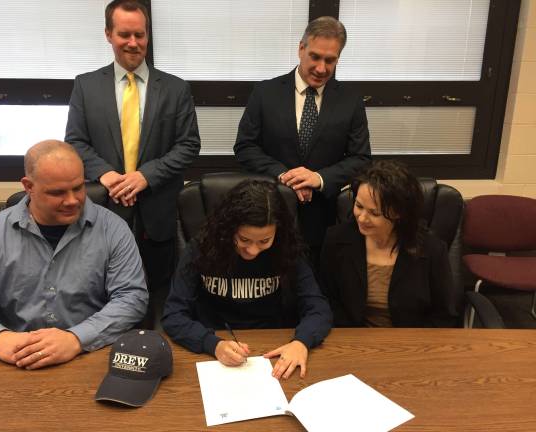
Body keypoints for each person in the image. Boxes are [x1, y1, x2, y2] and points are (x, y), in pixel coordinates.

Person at [0, 140, 148, 369]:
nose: (71, 200)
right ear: (28, 186)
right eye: (57, 192)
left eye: (78, 188)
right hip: (12, 359)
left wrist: (77, 338)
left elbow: (131, 298)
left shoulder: (113, 229)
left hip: (89, 355)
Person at [65, 0, 201, 295]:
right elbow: (75, 141)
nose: (133, 43)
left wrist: (145, 176)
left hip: (158, 210)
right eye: (124, 34)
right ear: (108, 34)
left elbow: (189, 145)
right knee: (103, 288)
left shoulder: (176, 89)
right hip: (105, 207)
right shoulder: (85, 86)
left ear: (147, 36)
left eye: (139, 35)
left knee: (158, 291)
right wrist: (107, 175)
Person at [162, 180, 332, 379]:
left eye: (264, 241)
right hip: (214, 344)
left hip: (274, 348)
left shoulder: (286, 248)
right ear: (229, 228)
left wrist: (301, 342)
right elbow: (173, 315)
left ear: (277, 231)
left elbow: (318, 308)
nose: (252, 250)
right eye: (244, 240)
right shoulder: (202, 247)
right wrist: (212, 344)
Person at [234, 16, 371, 263]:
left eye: (330, 60)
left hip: (324, 220)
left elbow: (361, 158)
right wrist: (287, 176)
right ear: (301, 48)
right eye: (315, 57)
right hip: (269, 216)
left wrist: (318, 179)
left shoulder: (351, 101)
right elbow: (245, 147)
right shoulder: (265, 93)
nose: (321, 68)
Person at [319, 160, 460, 328]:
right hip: (352, 340)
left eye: (374, 213)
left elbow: (444, 315)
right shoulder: (336, 240)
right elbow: (326, 301)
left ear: (398, 213)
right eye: (359, 206)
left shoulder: (431, 249)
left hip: (410, 343)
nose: (362, 218)